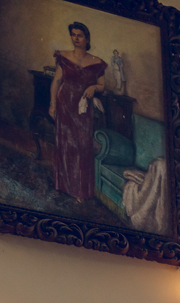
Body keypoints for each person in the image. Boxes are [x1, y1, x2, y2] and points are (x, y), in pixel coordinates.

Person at [47, 22, 108, 201]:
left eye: (79, 35)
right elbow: (56, 81)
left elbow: (103, 86)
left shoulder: (97, 62)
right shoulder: (63, 57)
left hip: (83, 108)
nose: (75, 38)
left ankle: (80, 191)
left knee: (82, 146)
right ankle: (64, 185)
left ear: (87, 38)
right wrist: (52, 104)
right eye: (73, 34)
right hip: (64, 103)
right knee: (65, 144)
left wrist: (94, 87)